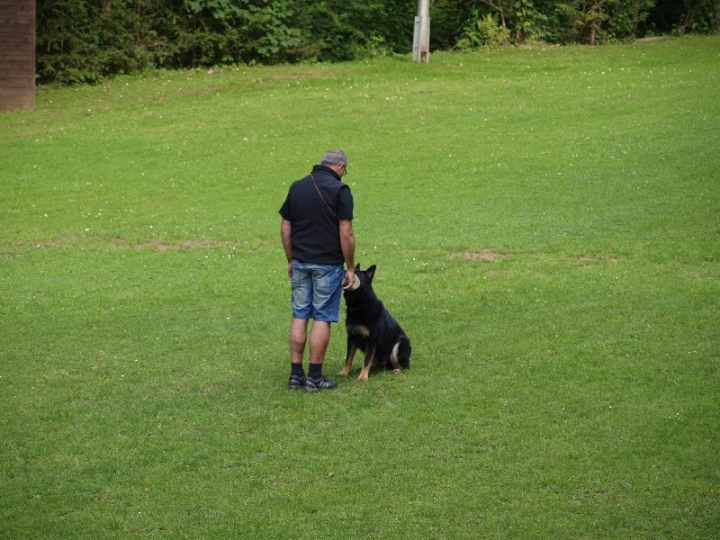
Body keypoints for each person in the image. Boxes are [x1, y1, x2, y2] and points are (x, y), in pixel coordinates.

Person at [279, 149, 356, 391]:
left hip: (301, 262)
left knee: (300, 314)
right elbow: (346, 233)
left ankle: (295, 375)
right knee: (322, 316)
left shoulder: (297, 186)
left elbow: (285, 227)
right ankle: (314, 377)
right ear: (340, 167)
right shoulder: (340, 190)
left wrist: (291, 259)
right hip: (328, 265)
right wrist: (351, 267)